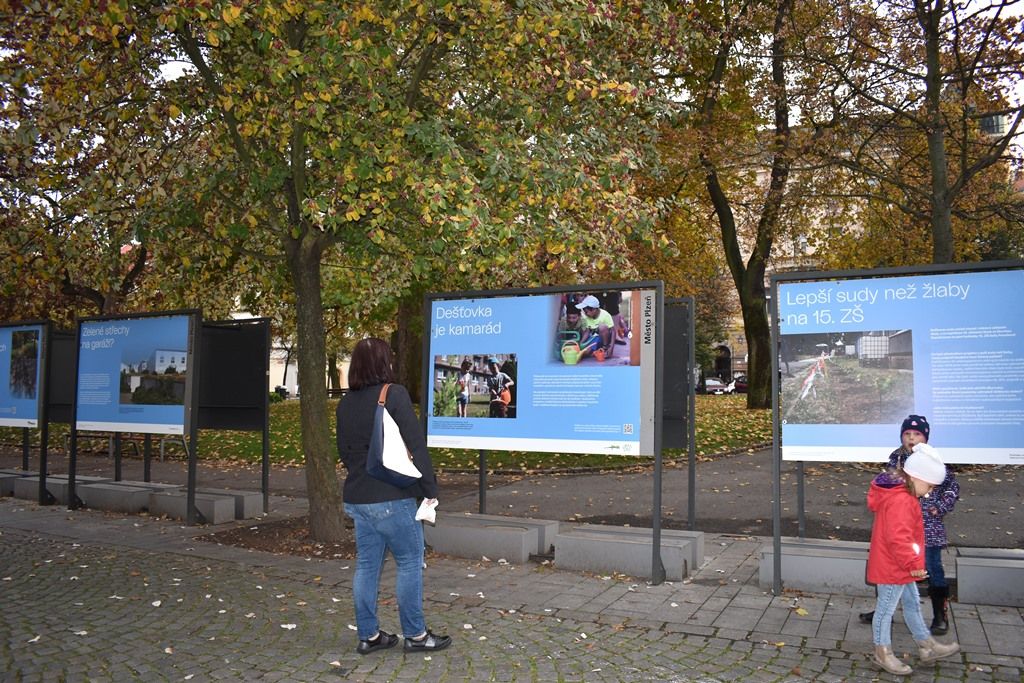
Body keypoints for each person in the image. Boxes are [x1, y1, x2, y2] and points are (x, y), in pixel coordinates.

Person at [335, 338, 452, 655]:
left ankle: (369, 636)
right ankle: (416, 635)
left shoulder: (346, 403)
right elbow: (416, 446)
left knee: (367, 567)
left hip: (358, 498)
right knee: (410, 562)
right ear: (383, 363)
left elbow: (344, 452)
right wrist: (430, 489)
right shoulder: (394, 394)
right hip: (392, 497)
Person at [859, 415, 959, 634]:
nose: (911, 438)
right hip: (900, 525)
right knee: (893, 568)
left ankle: (940, 615)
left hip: (928, 529)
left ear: (926, 438)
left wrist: (939, 507)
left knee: (932, 568)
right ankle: (884, 609)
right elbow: (887, 486)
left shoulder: (934, 461)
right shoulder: (896, 460)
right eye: (907, 434)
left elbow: (952, 489)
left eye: (917, 434)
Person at [866, 444, 960, 675]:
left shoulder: (902, 495)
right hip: (894, 566)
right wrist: (913, 565)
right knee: (885, 609)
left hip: (899, 564)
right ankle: (882, 653)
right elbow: (899, 538)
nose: (929, 492)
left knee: (911, 603)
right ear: (916, 477)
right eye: (929, 486)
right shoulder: (903, 501)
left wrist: (912, 564)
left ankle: (926, 645)